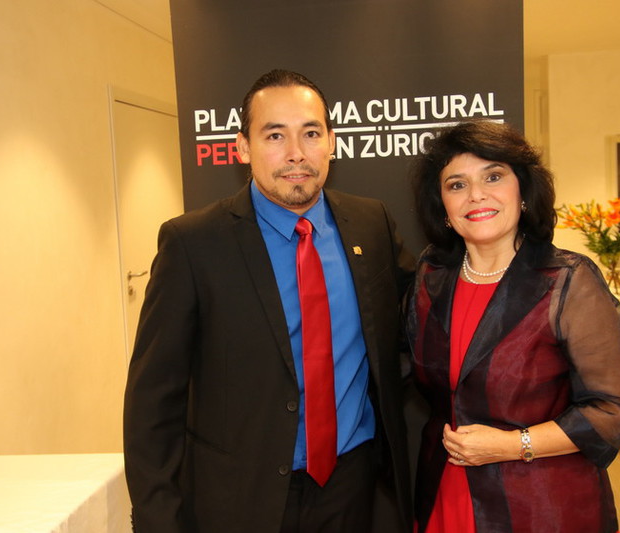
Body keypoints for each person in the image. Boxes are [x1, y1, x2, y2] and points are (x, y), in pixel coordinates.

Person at [123, 69, 415, 533]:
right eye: (275, 135)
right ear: (243, 147)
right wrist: (158, 519)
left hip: (352, 487)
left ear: (332, 142)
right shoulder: (193, 243)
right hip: (239, 498)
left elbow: (416, 318)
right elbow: (153, 401)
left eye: (311, 133)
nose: (296, 153)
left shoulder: (370, 223)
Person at [405, 121, 620, 533]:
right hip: (444, 491)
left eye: (493, 177)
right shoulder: (431, 276)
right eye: (457, 185)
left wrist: (514, 445)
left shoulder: (567, 280)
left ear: (524, 191)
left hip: (540, 503)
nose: (476, 195)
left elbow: (616, 409)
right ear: (442, 206)